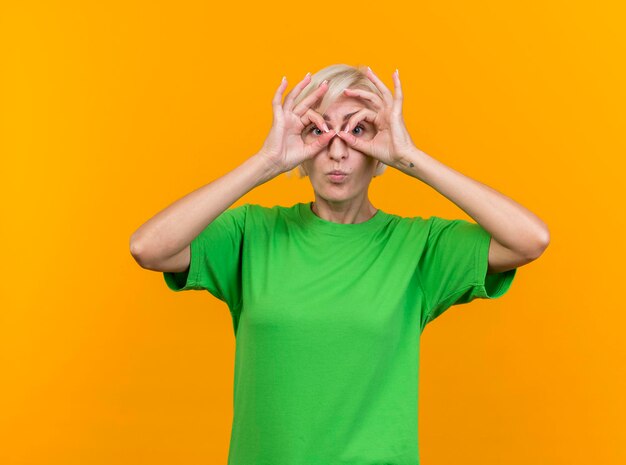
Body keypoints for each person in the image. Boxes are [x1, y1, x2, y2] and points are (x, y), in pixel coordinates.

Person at [130, 64, 550, 465]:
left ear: (378, 146)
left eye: (358, 130)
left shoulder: (419, 246)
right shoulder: (252, 234)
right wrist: (266, 163)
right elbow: (149, 248)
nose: (336, 150)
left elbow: (530, 239)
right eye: (318, 129)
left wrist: (409, 157)